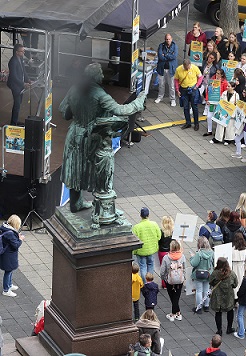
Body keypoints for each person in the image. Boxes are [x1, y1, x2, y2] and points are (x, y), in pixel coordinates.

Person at [60, 63, 146, 213]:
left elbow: (65, 113)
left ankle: (76, 203)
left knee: (75, 169)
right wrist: (139, 102)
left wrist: (77, 108)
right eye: (100, 74)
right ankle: (103, 209)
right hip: (91, 136)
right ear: (94, 76)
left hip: (74, 134)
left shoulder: (75, 88)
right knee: (100, 171)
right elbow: (121, 110)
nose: (102, 76)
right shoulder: (100, 95)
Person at [210, 257, 238, 336]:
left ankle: (219, 330)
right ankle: (229, 328)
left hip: (217, 296)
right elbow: (235, 284)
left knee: (218, 313)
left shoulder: (215, 273)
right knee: (230, 311)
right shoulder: (231, 273)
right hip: (228, 295)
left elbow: (210, 282)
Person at [160, 239, 186, 322]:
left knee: (172, 297)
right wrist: (183, 277)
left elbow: (162, 271)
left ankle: (173, 314)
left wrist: (164, 278)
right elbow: (185, 268)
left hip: (169, 280)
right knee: (177, 296)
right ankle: (178, 313)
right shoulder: (182, 257)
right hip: (180, 280)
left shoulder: (166, 258)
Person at [133, 207, 161, 281]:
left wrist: (134, 251)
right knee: (150, 264)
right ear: (149, 215)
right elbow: (159, 236)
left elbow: (134, 240)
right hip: (151, 249)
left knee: (142, 266)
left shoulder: (136, 227)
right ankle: (150, 280)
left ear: (140, 216)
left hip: (141, 250)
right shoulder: (154, 224)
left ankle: (145, 283)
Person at [174, 58, 203, 130]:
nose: (188, 69)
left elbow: (200, 77)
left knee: (194, 107)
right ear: (183, 66)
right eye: (186, 68)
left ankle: (196, 123)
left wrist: (197, 86)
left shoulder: (195, 68)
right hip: (184, 90)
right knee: (185, 107)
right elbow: (176, 80)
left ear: (190, 64)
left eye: (189, 67)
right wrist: (177, 90)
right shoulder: (178, 69)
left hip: (193, 89)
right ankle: (188, 123)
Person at [7, 44, 31, 126]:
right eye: (22, 51)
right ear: (17, 52)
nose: (23, 52)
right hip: (15, 85)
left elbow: (24, 71)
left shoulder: (20, 59)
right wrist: (23, 83)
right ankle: (13, 123)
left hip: (20, 84)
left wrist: (28, 79)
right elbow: (14, 76)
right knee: (17, 104)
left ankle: (15, 120)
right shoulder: (13, 61)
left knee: (19, 103)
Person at [190, 237, 215, 314]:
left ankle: (199, 307)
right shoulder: (212, 252)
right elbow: (214, 263)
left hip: (199, 274)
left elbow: (193, 263)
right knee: (207, 290)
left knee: (199, 291)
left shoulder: (199, 253)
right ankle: (206, 306)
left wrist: (192, 257)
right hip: (208, 274)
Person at [155, 34, 178, 106]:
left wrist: (165, 55)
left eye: (169, 39)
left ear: (171, 39)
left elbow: (174, 56)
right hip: (161, 68)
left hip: (171, 69)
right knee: (161, 84)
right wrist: (169, 56)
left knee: (171, 85)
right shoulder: (161, 45)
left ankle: (172, 99)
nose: (168, 40)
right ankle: (160, 97)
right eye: (166, 39)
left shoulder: (175, 46)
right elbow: (160, 56)